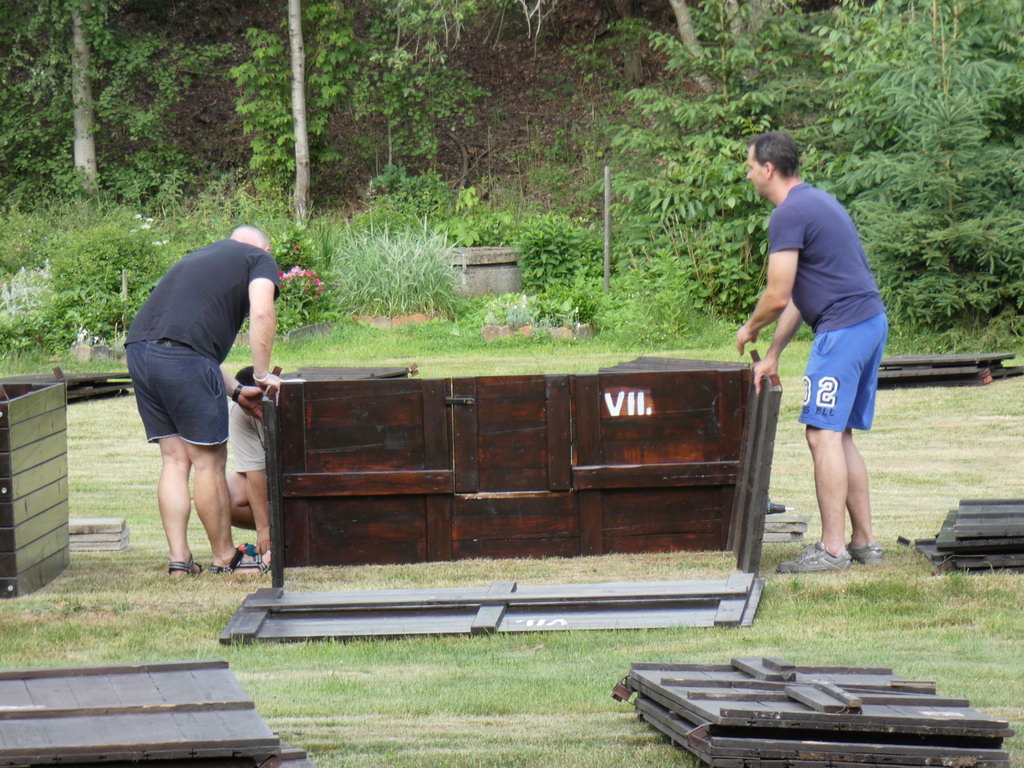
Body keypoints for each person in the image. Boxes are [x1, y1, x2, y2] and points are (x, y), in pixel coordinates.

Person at [735, 131, 888, 574]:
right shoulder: (818, 202)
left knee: (821, 434)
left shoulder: (788, 214)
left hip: (843, 330)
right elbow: (803, 297)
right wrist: (774, 353)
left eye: (750, 167)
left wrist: (750, 328)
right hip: (868, 323)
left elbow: (778, 295)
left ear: (768, 169)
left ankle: (833, 550)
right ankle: (864, 543)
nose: (748, 175)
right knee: (838, 434)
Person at [126, 226, 283, 576]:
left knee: (174, 459)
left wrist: (237, 391)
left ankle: (179, 560)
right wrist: (260, 374)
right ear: (265, 247)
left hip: (138, 350)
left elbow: (185, 343)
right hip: (182, 355)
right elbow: (262, 312)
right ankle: (225, 557)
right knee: (209, 461)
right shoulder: (258, 258)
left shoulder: (199, 257)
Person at [226, 366, 270, 565]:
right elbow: (255, 473)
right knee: (223, 493)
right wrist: (263, 529)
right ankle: (278, 536)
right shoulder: (238, 411)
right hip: (274, 480)